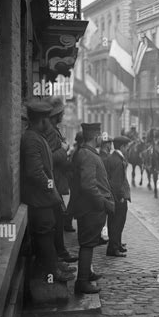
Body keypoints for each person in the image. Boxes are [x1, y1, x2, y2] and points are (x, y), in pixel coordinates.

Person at [20, 100, 74, 283]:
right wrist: (53, 192)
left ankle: (53, 268)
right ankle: (52, 274)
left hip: (44, 199)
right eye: (47, 120)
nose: (50, 124)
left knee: (48, 233)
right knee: (44, 236)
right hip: (39, 199)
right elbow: (35, 173)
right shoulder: (31, 140)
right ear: (42, 121)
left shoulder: (37, 136)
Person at [71, 123, 115, 294]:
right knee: (88, 244)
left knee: (89, 243)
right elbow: (88, 186)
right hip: (91, 208)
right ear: (95, 137)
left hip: (90, 207)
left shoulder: (86, 153)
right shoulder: (88, 156)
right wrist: (101, 203)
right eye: (99, 136)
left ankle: (86, 273)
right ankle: (82, 282)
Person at [43, 97, 77, 264]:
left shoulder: (53, 129)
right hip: (52, 182)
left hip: (55, 181)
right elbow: (47, 157)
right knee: (56, 221)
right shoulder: (50, 130)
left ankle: (60, 253)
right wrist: (64, 150)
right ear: (56, 114)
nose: (63, 114)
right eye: (61, 112)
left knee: (58, 219)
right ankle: (59, 255)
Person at [105, 136, 132, 257]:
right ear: (122, 147)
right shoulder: (117, 160)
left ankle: (117, 243)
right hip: (118, 197)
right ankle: (113, 248)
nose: (128, 149)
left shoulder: (114, 157)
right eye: (127, 147)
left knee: (116, 221)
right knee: (117, 222)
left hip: (115, 196)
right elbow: (116, 182)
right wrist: (120, 196)